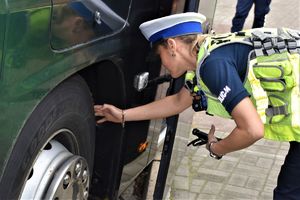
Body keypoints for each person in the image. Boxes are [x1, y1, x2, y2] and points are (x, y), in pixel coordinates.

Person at [94, 12, 300, 198]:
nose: (161, 63)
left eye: (160, 55)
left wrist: (217, 147)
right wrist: (122, 115)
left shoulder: (212, 65)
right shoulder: (207, 55)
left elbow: (252, 129)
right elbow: (176, 102)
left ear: (172, 46)